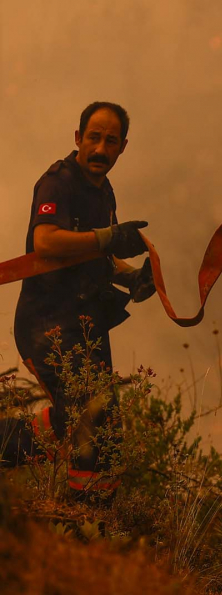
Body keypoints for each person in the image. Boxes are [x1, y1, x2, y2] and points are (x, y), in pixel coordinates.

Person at [0, 101, 154, 496]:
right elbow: (45, 240)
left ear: (123, 147)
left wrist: (131, 276)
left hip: (86, 324)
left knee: (103, 426)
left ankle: (90, 518)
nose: (101, 149)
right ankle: (79, 519)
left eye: (111, 141)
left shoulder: (103, 190)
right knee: (85, 420)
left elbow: (96, 252)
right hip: (47, 325)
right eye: (94, 138)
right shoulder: (58, 182)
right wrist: (108, 237)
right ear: (77, 138)